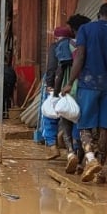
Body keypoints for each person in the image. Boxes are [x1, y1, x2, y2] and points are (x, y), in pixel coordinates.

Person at [66, 3, 107, 183]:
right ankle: (100, 170)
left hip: (88, 83)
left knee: (84, 124)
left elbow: (79, 57)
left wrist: (70, 81)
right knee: (104, 128)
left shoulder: (86, 30)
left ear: (98, 14)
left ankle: (91, 159)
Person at [59, 14, 91, 172]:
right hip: (87, 87)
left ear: (72, 29)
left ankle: (70, 152)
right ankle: (80, 159)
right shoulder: (91, 43)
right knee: (82, 123)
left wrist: (57, 89)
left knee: (66, 120)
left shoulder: (66, 44)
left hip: (70, 87)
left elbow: (60, 68)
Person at [41, 26, 74, 159]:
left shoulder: (56, 47)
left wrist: (49, 85)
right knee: (71, 116)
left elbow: (51, 68)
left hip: (57, 85)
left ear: (56, 37)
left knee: (49, 115)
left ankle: (52, 145)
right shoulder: (76, 46)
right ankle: (73, 150)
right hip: (73, 87)